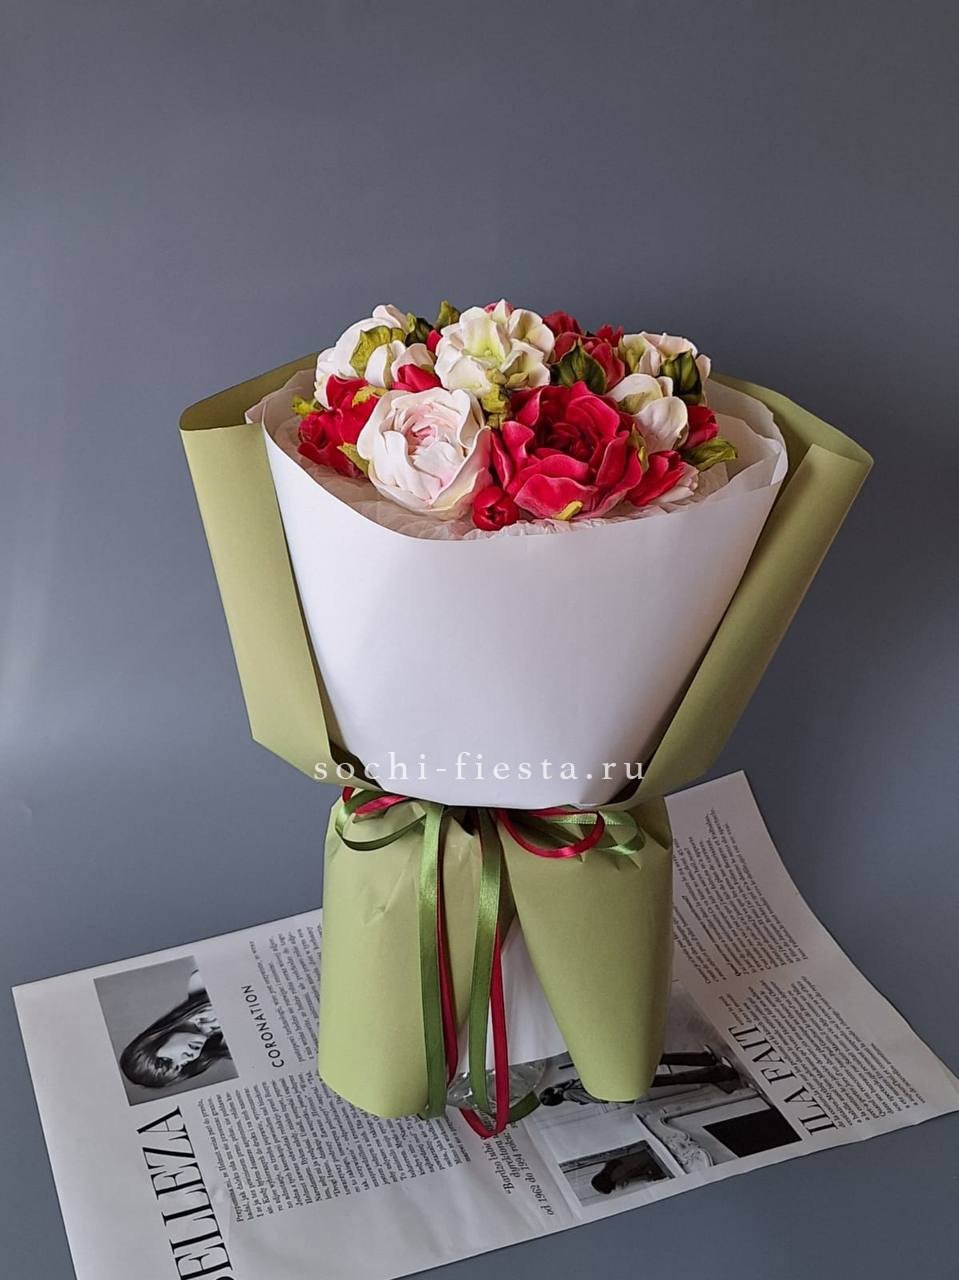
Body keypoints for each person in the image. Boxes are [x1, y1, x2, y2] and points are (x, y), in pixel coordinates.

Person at [119, 968, 231, 1089]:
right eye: (180, 1066)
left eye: (167, 1060)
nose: (187, 1057)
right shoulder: (226, 1046)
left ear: (152, 1041)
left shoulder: (199, 983)